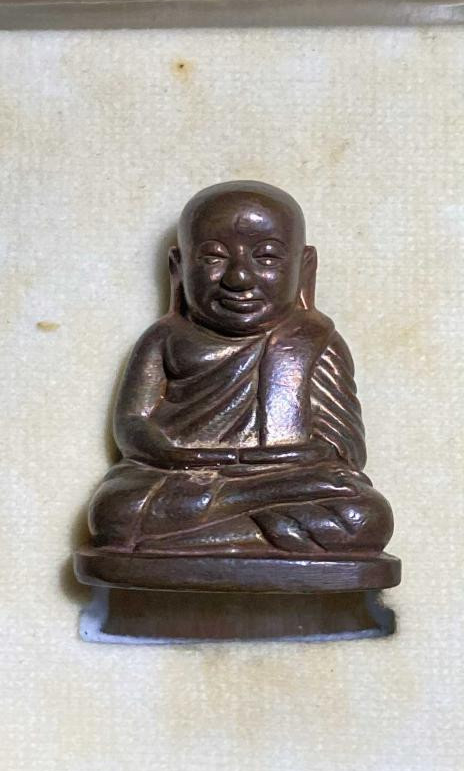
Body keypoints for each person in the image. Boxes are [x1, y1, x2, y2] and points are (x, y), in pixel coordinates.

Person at [88, 181, 393, 556]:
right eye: (213, 258)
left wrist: (289, 460)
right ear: (178, 267)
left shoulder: (313, 341)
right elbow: (132, 423)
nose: (239, 278)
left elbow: (345, 448)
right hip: (182, 475)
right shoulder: (164, 338)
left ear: (304, 267)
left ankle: (179, 540)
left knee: (365, 515)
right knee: (114, 510)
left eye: (266, 258)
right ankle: (252, 515)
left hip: (286, 478)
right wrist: (176, 456)